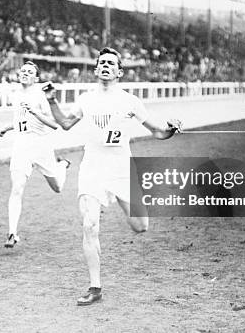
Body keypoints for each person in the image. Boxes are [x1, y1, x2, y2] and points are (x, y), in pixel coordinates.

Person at [44, 47, 182, 306]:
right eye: (102, 62)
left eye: (111, 63)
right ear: (96, 69)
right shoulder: (86, 99)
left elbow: (158, 132)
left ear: (119, 71)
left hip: (120, 168)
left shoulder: (130, 102)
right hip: (93, 167)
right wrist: (52, 101)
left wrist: (171, 129)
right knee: (89, 224)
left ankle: (128, 201)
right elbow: (64, 123)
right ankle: (95, 287)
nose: (106, 65)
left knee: (141, 226)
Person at [0, 61, 70, 248]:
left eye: (30, 72)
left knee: (58, 187)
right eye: (23, 71)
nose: (25, 73)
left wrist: (36, 113)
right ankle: (12, 233)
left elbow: (54, 125)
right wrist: (6, 128)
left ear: (36, 78)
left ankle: (61, 165)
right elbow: (21, 121)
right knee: (17, 188)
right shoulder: (16, 94)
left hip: (41, 145)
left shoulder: (41, 95)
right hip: (21, 145)